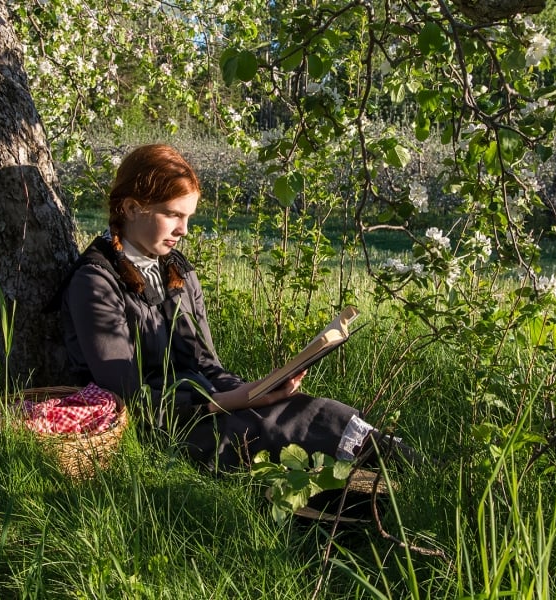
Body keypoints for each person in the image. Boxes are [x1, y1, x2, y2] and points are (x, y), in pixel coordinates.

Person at [58, 144, 405, 471]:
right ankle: (365, 491)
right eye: (173, 215)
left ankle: (403, 469)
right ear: (133, 208)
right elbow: (131, 402)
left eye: (189, 216)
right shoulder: (95, 282)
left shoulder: (175, 269)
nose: (184, 230)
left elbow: (205, 364)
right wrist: (233, 401)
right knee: (268, 431)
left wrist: (257, 390)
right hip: (159, 427)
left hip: (204, 402)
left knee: (303, 410)